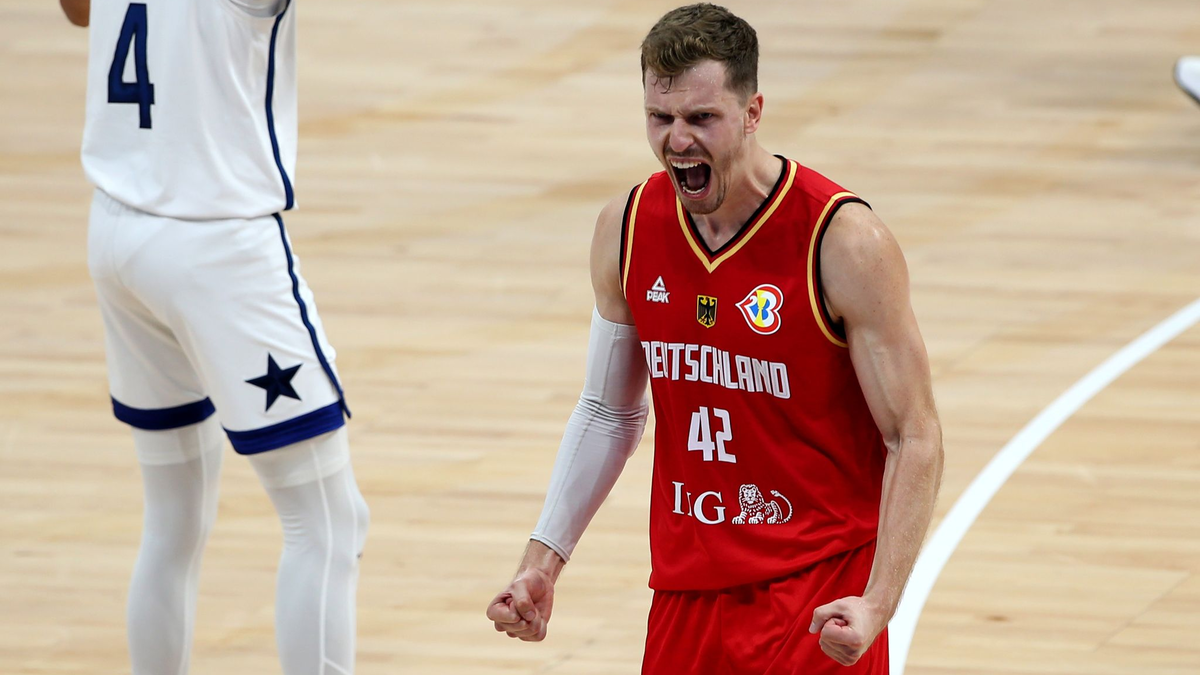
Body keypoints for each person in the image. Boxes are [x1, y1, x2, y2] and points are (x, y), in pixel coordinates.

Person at [485, 4, 943, 673]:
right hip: (685, 591)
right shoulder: (628, 227)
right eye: (659, 118)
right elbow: (608, 411)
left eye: (702, 118)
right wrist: (541, 562)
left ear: (753, 111)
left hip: (815, 590)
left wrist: (878, 601)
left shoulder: (842, 241)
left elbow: (915, 435)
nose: (677, 141)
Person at [60, 1, 369, 674]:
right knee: (327, 519)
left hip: (116, 227)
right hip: (215, 239)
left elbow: (79, 10)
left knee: (173, 518)